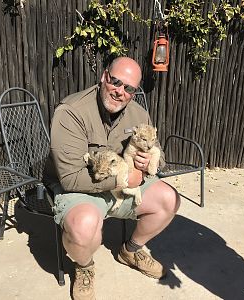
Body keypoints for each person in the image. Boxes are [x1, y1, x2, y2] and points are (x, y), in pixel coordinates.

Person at [43, 57, 180, 300]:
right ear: (104, 76)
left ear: (134, 92)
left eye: (129, 88)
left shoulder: (138, 114)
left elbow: (158, 151)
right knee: (83, 226)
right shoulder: (71, 112)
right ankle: (84, 267)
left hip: (124, 181)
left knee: (169, 199)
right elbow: (72, 179)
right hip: (82, 188)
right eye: (116, 82)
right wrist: (125, 181)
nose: (120, 92)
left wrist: (150, 162)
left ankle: (130, 251)